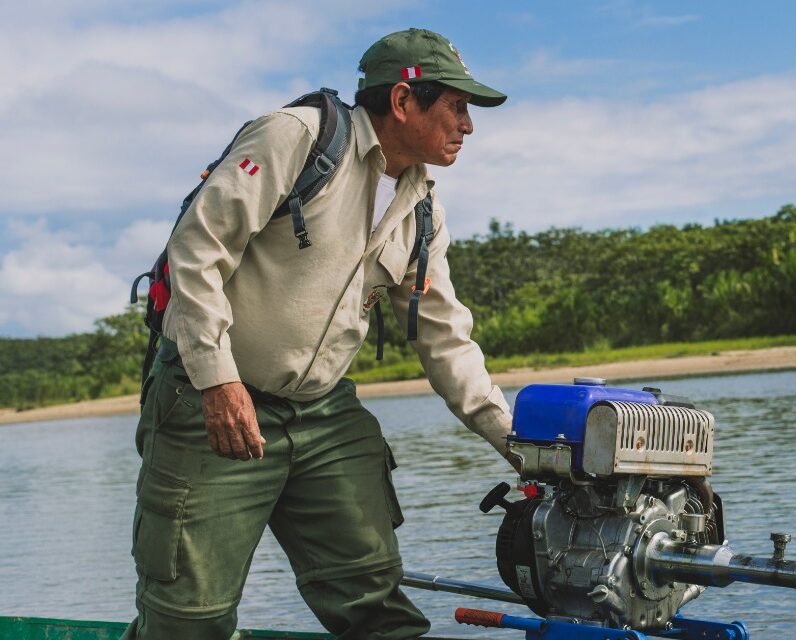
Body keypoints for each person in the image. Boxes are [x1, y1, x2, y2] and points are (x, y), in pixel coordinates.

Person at [124, 29, 512, 640]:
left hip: (323, 412)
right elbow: (196, 251)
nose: (467, 125)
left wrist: (519, 447)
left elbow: (445, 338)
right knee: (187, 622)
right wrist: (217, 380)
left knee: (377, 608)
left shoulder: (422, 207)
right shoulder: (295, 138)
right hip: (214, 399)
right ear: (405, 101)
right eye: (456, 107)